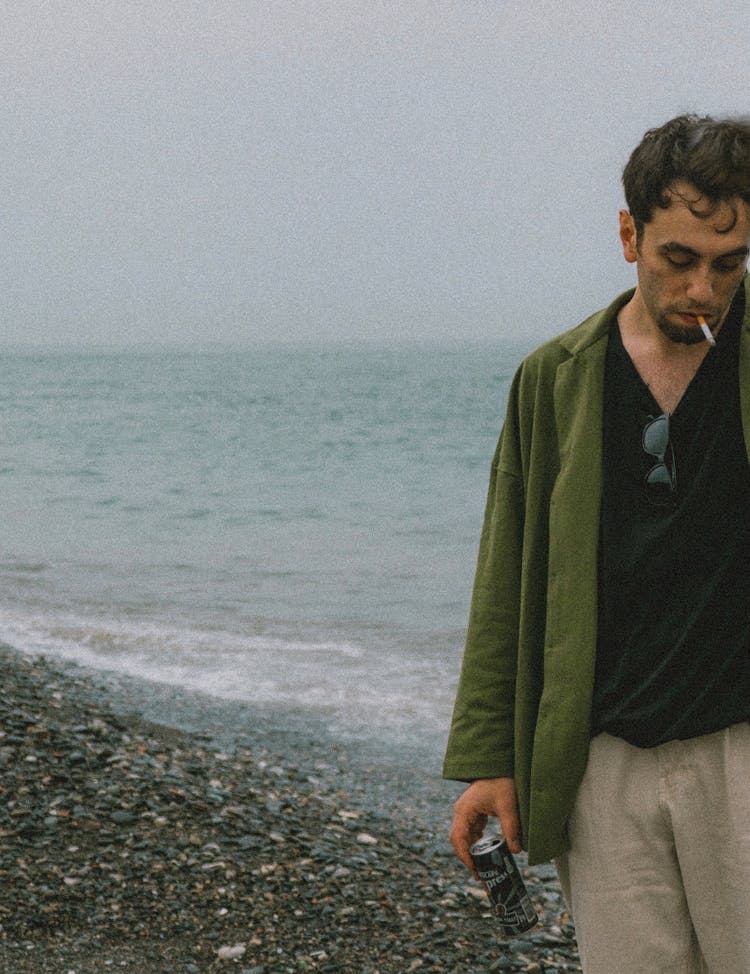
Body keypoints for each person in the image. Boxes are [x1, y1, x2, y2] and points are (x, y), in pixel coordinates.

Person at [442, 114, 750, 974]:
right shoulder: (558, 376)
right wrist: (489, 761)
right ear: (629, 236)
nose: (704, 290)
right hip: (603, 763)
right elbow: (509, 571)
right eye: (678, 259)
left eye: (730, 264)